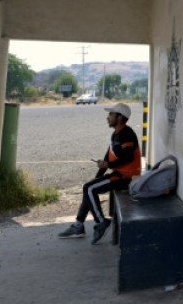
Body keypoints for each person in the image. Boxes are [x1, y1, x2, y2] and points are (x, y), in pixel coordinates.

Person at [58, 102, 142, 244]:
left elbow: (128, 157)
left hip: (126, 177)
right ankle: (79, 225)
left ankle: (101, 222)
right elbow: (107, 158)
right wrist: (98, 177)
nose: (107, 117)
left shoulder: (127, 134)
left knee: (89, 188)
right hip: (119, 174)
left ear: (120, 117)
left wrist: (108, 165)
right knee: (89, 188)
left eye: (111, 114)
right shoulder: (116, 134)